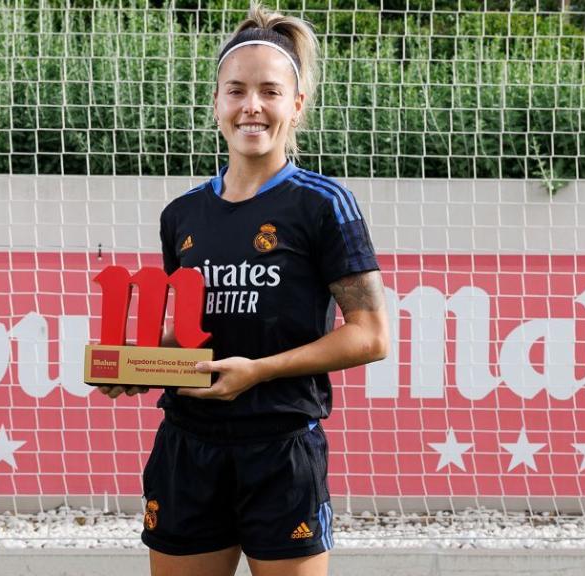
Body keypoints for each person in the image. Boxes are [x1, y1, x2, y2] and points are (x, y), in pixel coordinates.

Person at [100, 3, 389, 575]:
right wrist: (138, 366)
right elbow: (189, 330)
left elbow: (371, 336)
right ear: (216, 104)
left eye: (269, 91)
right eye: (236, 91)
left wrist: (257, 371)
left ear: (297, 105)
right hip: (188, 449)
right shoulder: (181, 214)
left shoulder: (323, 204)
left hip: (280, 449)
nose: (251, 105)